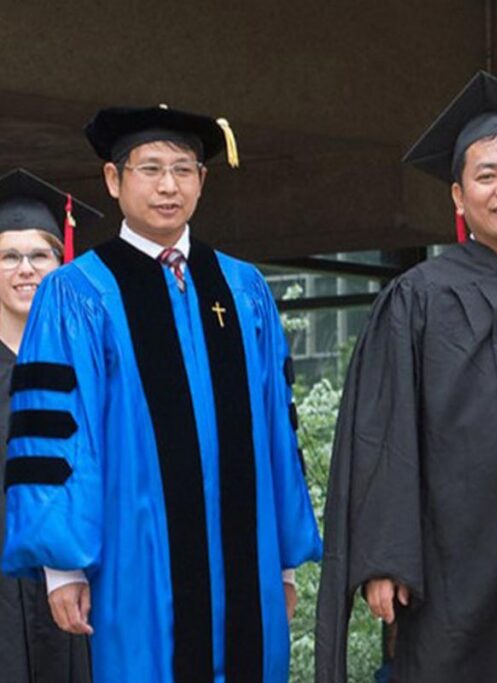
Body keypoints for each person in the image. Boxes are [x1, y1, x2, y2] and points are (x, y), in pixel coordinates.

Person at [0, 105, 322, 683]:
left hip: (247, 560)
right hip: (136, 561)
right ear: (113, 179)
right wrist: (63, 568)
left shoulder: (243, 287)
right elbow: (58, 434)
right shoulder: (77, 293)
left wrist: (284, 558)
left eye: (184, 168)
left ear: (202, 180)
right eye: (150, 168)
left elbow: (276, 424)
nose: (169, 185)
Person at [315, 71, 497, 683]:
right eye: (487, 175)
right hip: (462, 556)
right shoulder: (417, 300)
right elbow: (384, 433)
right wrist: (384, 557)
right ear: (457, 197)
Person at [0, 168, 100, 683]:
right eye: (9, 256)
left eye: (39, 255)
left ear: (61, 263)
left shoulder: (88, 367)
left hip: (74, 581)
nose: (25, 270)